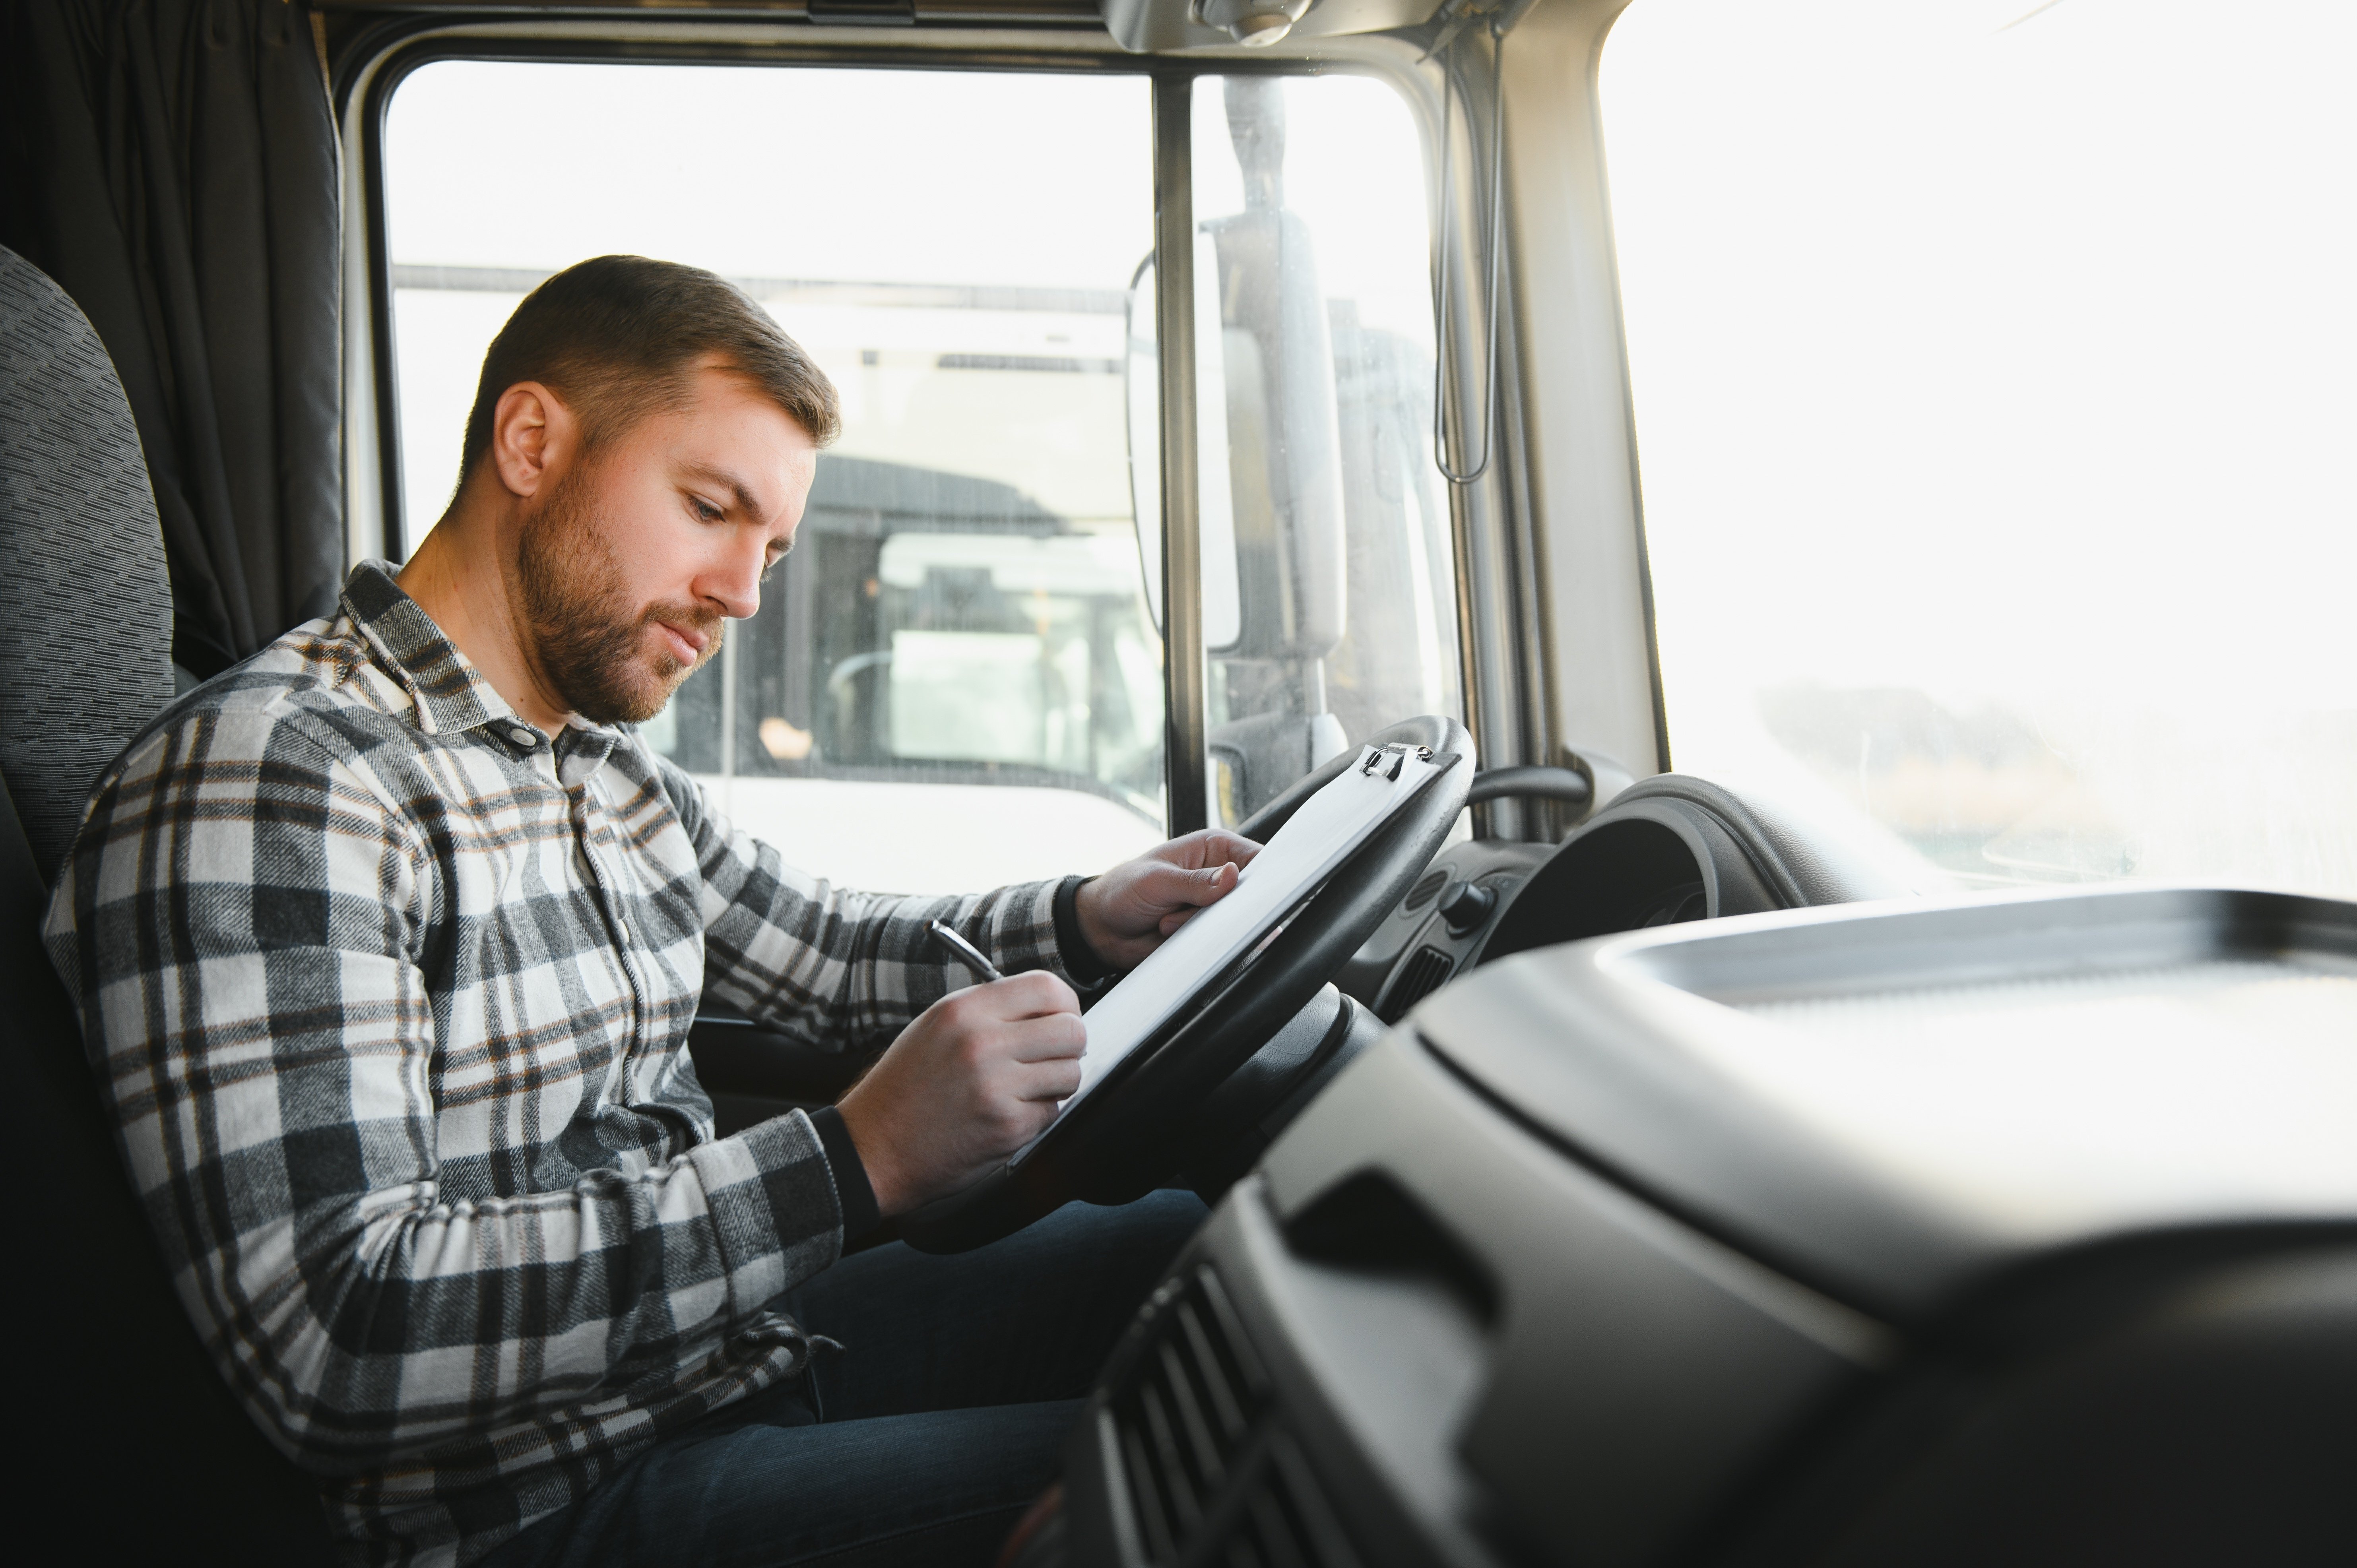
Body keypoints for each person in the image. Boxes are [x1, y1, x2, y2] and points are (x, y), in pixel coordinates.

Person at [43, 254, 1259, 1568]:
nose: (745, 591)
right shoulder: (281, 777)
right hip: (526, 1505)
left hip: (709, 1367)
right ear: (530, 442)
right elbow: (346, 1338)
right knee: (1209, 1465)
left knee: (1200, 1259)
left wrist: (1086, 917)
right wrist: (852, 1161)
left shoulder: (600, 768)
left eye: (769, 547)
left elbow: (829, 949)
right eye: (708, 508)